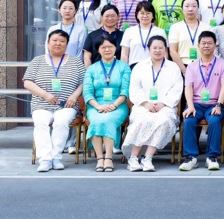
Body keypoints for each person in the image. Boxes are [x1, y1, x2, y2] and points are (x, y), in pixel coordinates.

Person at [25, 30, 86, 172]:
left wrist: (74, 96)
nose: (58, 43)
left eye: (62, 41)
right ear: (48, 43)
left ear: (66, 44)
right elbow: (27, 82)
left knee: (61, 121)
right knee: (40, 123)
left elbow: (84, 82)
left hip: (67, 105)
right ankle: (45, 160)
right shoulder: (37, 61)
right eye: (55, 40)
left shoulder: (76, 62)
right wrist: (45, 95)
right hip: (41, 104)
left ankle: (56, 157)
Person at [123, 35, 183, 172]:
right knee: (143, 119)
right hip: (143, 106)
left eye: (161, 48)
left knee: (164, 120)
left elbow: (177, 88)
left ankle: (148, 158)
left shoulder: (173, 67)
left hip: (165, 106)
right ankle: (133, 158)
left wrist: (163, 103)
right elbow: (134, 88)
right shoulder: (140, 66)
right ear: (148, 49)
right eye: (154, 48)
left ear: (165, 49)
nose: (157, 50)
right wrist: (145, 103)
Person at [179, 31, 224, 171]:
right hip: (196, 104)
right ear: (198, 46)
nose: (206, 46)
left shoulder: (223, 65)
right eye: (203, 43)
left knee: (214, 120)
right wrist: (190, 106)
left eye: (209, 43)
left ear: (215, 46)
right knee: (189, 120)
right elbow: (188, 87)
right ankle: (191, 158)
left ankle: (212, 157)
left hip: (214, 104)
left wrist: (219, 105)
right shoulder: (192, 66)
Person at [83, 36, 131, 172]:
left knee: (108, 119)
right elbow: (87, 92)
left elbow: (125, 90)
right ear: (98, 50)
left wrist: (114, 105)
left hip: (118, 104)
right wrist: (98, 106)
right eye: (103, 47)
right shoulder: (92, 69)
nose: (107, 49)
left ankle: (108, 157)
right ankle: (100, 158)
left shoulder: (124, 67)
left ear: (116, 48)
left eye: (110, 46)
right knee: (97, 120)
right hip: (96, 105)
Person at [167, 0, 212, 74]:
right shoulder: (175, 27)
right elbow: (172, 51)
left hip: (203, 66)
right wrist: (184, 70)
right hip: (182, 65)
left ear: (198, 9)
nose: (190, 9)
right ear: (182, 9)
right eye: (187, 6)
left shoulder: (207, 27)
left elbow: (211, 49)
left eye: (194, 6)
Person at [120, 2, 167, 68]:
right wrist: (124, 70)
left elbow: (165, 53)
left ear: (153, 15)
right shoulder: (129, 31)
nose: (145, 16)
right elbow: (124, 54)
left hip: (154, 67)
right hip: (134, 67)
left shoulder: (160, 32)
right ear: (137, 15)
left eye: (148, 13)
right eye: (142, 13)